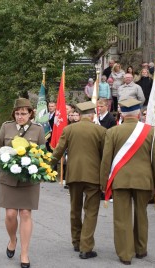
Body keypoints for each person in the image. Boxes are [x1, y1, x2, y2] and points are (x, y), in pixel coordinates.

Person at [100, 99, 155, 265]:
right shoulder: (151, 132)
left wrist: (103, 183)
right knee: (142, 215)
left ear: (121, 114)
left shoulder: (112, 132)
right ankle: (141, 250)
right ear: (137, 114)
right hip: (144, 180)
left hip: (120, 180)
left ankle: (125, 254)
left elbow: (106, 160)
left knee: (122, 217)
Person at [0, 98, 45, 268]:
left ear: (30, 113)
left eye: (23, 113)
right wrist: (5, 159)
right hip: (8, 178)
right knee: (10, 214)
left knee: (25, 213)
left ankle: (24, 253)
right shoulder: (6, 127)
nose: (20, 117)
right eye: (17, 113)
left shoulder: (38, 129)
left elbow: (43, 153)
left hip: (29, 179)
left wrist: (34, 164)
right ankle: (12, 240)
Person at [52, 101, 106, 260]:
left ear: (80, 115)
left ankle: (76, 242)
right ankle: (86, 247)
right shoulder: (101, 131)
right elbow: (105, 155)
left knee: (75, 209)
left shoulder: (69, 129)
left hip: (74, 174)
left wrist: (47, 167)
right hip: (93, 176)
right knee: (91, 211)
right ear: (92, 115)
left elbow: (58, 151)